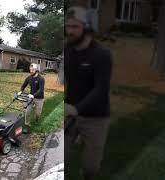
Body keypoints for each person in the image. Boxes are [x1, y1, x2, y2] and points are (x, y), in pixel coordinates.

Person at [65, 6, 112, 180]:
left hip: (96, 117)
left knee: (90, 167)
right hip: (71, 114)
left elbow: (101, 90)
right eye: (68, 26)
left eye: (75, 27)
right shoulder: (68, 52)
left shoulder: (102, 55)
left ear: (87, 28)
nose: (69, 31)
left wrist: (75, 109)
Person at [18, 63, 45, 134]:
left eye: (32, 70)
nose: (31, 71)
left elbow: (41, 90)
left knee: (38, 114)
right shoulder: (29, 78)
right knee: (27, 112)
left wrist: (34, 95)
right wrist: (21, 91)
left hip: (39, 98)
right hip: (30, 97)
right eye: (30, 69)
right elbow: (23, 85)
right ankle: (27, 125)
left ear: (36, 70)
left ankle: (37, 119)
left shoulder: (41, 79)